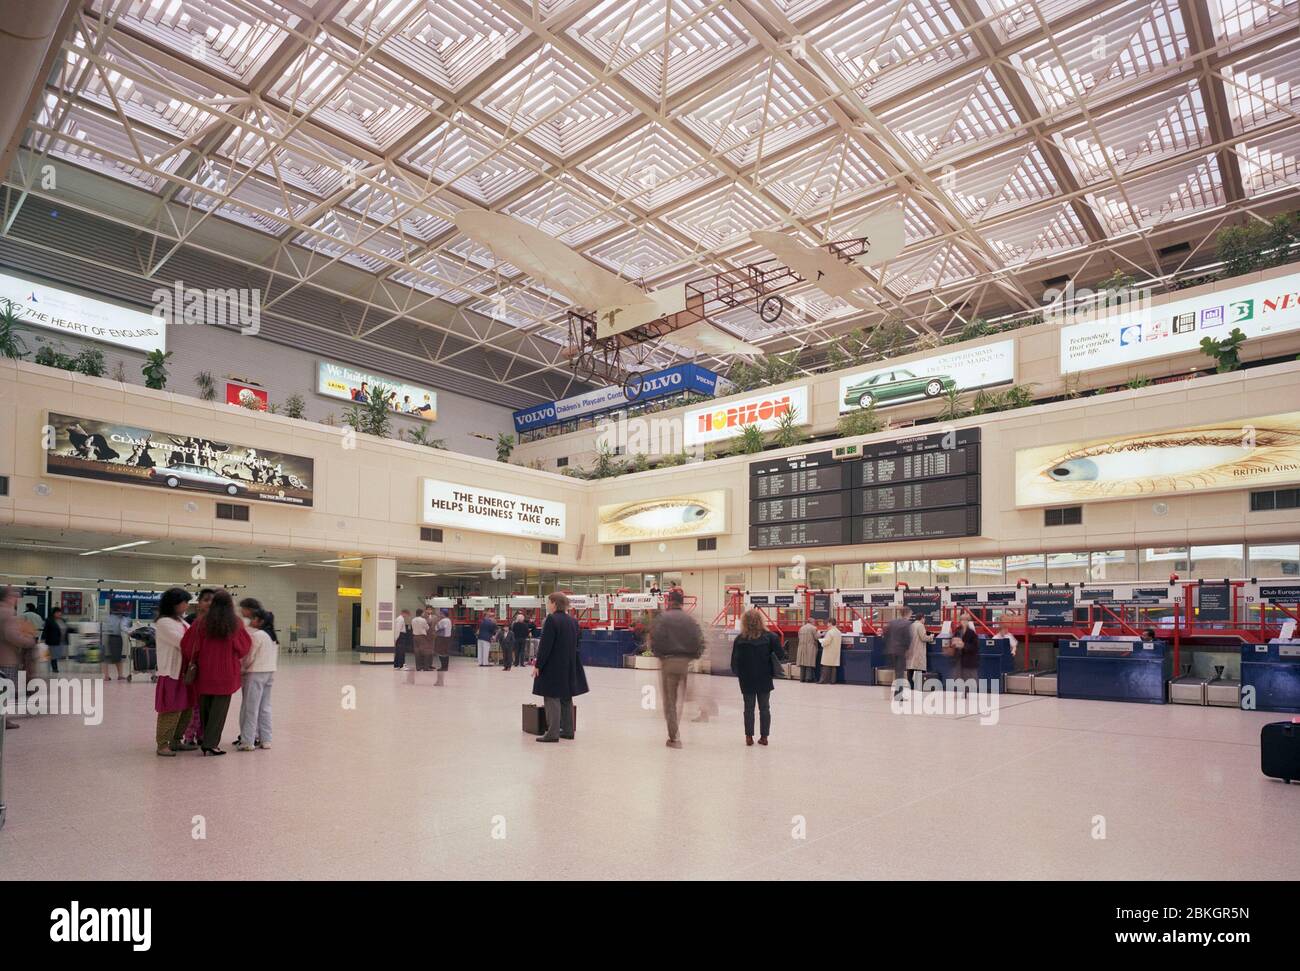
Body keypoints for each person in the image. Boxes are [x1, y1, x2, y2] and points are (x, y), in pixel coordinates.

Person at [180, 590, 251, 756]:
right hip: (226, 673)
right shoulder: (235, 623)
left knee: (205, 708)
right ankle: (211, 744)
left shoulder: (201, 622)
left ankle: (205, 738)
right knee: (219, 711)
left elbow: (188, 645)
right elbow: (243, 648)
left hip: (204, 671)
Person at [648, 588, 705, 748]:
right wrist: (692, 656)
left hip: (668, 662)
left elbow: (655, 638)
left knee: (670, 701)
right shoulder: (690, 620)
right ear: (681, 602)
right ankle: (675, 731)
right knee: (679, 701)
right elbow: (699, 641)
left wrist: (659, 655)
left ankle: (673, 737)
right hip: (684, 663)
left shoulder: (663, 618)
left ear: (669, 601)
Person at [532, 592, 588, 743]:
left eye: (548, 602)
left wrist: (538, 664)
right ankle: (568, 731)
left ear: (554, 603)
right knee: (566, 697)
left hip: (553, 666)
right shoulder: (573, 621)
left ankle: (552, 733)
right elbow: (577, 643)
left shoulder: (551, 620)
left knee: (551, 697)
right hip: (569, 664)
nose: (547, 605)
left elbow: (545, 645)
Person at [731, 608, 785, 746]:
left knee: (748, 708)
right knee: (765, 708)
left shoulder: (739, 639)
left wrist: (740, 674)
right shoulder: (771, 637)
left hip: (746, 678)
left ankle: (749, 737)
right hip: (764, 677)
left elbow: (734, 663)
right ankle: (764, 737)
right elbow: (782, 656)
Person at [152, 588, 193, 756]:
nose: (187, 606)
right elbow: (183, 641)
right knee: (171, 709)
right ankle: (163, 744)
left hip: (186, 672)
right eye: (185, 602)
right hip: (172, 672)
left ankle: (176, 740)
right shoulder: (164, 622)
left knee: (186, 708)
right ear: (175, 603)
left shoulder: (182, 622)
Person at [237, 608, 277, 752]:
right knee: (265, 707)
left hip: (255, 674)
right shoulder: (272, 636)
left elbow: (249, 656)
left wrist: (242, 669)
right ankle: (266, 739)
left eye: (254, 618)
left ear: (261, 621)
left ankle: (247, 741)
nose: (251, 621)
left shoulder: (258, 635)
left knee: (250, 708)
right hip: (269, 673)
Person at [1, 586, 37, 730]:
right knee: (5, 691)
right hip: (6, 659)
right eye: (14, 595)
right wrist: (29, 641)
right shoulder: (8, 613)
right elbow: (12, 636)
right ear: (7, 597)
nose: (16, 598)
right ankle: (3, 720)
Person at [883, 607, 914, 698]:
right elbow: (908, 638)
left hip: (890, 650)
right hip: (900, 651)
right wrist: (908, 650)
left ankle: (887, 691)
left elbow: (886, 635)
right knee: (900, 673)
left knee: (893, 671)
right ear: (908, 614)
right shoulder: (907, 624)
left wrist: (888, 646)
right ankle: (898, 694)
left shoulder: (892, 622)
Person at [950, 616, 980, 696]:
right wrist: (953, 643)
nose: (963, 622)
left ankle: (966, 691)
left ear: (968, 621)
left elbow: (975, 647)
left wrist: (964, 646)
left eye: (965, 620)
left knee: (967, 675)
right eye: (962, 620)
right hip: (958, 657)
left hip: (967, 657)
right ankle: (956, 691)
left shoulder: (972, 633)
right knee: (957, 675)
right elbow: (952, 642)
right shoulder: (957, 631)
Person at [101, 605, 128, 682]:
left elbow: (103, 627)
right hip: (116, 638)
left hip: (106, 637)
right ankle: (120, 675)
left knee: (106, 657)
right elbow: (123, 627)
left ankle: (106, 676)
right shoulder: (121, 618)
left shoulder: (108, 617)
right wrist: (130, 632)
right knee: (118, 657)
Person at [906, 610, 932, 690]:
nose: (924, 621)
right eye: (924, 619)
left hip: (911, 649)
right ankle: (922, 685)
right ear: (922, 618)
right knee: (921, 668)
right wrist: (931, 636)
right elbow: (923, 637)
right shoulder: (920, 625)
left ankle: (911, 685)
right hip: (918, 650)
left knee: (910, 668)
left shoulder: (911, 625)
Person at [42, 607, 68, 674]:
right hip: (52, 640)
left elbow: (66, 629)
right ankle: (55, 668)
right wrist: (43, 638)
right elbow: (45, 630)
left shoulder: (62, 620)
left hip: (61, 641)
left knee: (56, 655)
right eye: (57, 612)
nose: (59, 613)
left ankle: (53, 666)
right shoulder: (49, 620)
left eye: (60, 612)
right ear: (54, 613)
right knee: (53, 655)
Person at [433, 608, 452, 684]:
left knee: (441, 652)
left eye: (441, 614)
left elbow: (437, 627)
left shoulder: (443, 620)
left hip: (442, 638)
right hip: (447, 638)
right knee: (445, 652)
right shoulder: (449, 620)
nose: (440, 615)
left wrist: (436, 622)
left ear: (443, 614)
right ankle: (445, 666)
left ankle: (443, 667)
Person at [410, 607, 432, 671]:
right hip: (422, 637)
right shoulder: (423, 620)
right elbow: (427, 628)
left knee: (417, 652)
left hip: (415, 637)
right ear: (421, 613)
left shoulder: (413, 620)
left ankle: (418, 667)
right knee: (425, 652)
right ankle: (425, 667)